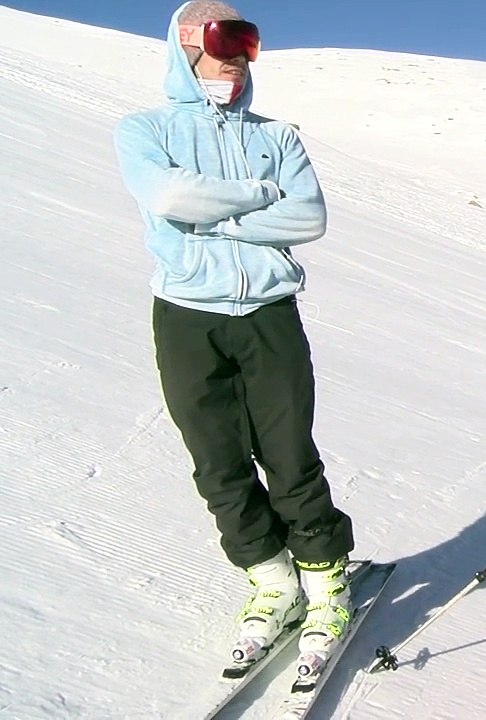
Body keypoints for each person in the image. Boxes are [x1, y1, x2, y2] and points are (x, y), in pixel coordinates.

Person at [113, 0, 354, 667]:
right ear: (187, 46)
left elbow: (308, 218)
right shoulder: (143, 130)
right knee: (217, 460)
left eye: (247, 47)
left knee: (288, 453)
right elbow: (168, 199)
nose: (238, 61)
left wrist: (216, 213)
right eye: (226, 44)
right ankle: (273, 581)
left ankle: (327, 580)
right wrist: (256, 196)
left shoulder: (279, 138)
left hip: (270, 313)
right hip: (188, 314)